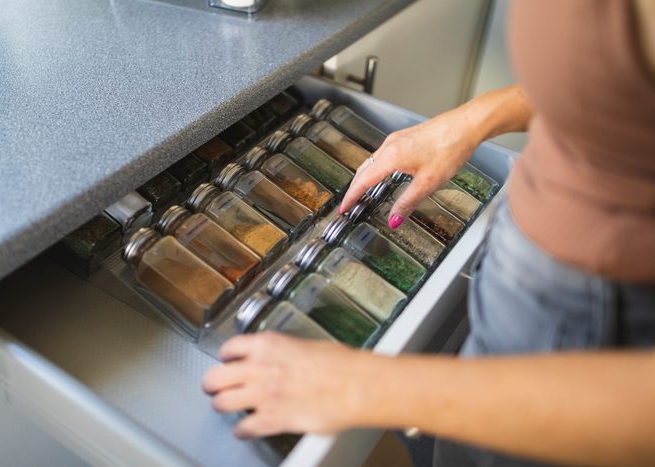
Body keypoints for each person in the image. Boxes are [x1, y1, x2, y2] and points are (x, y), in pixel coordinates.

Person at [202, 1, 655, 465]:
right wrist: (475, 117)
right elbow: (617, 87)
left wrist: (368, 387)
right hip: (536, 292)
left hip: (596, 333)